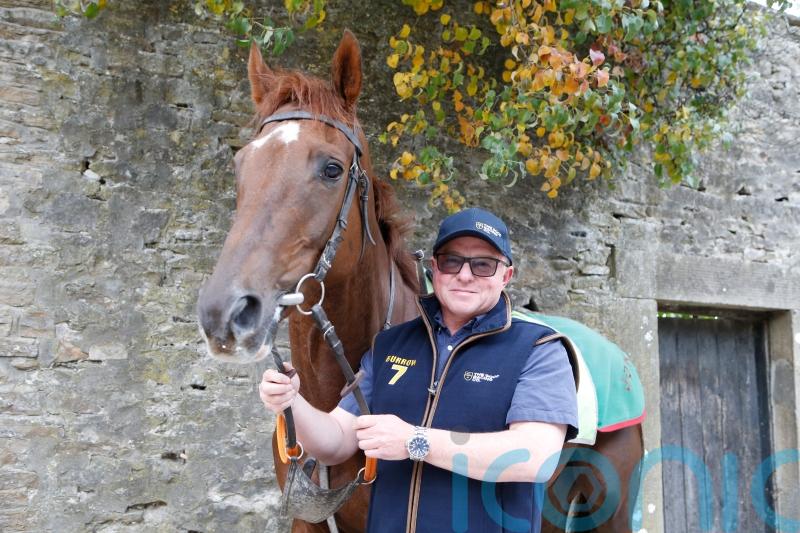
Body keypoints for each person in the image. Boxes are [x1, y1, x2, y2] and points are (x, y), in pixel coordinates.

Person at [259, 207, 578, 533]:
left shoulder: (539, 350)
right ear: (435, 268)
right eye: (452, 261)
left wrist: (415, 441)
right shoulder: (389, 346)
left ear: (505, 276)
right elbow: (336, 441)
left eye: (483, 265)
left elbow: (534, 457)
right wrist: (291, 402)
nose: (465, 275)